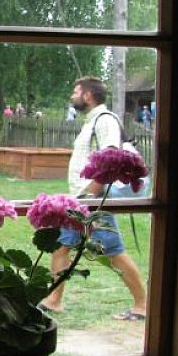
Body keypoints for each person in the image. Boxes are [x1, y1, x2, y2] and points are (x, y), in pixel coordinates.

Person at [40, 76, 147, 321]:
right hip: (82, 200)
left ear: (88, 95)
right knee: (61, 247)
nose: (72, 96)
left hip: (94, 200)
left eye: (76, 91)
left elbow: (110, 160)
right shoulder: (92, 121)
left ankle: (142, 304)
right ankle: (54, 300)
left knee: (113, 252)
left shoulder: (104, 120)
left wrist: (91, 196)